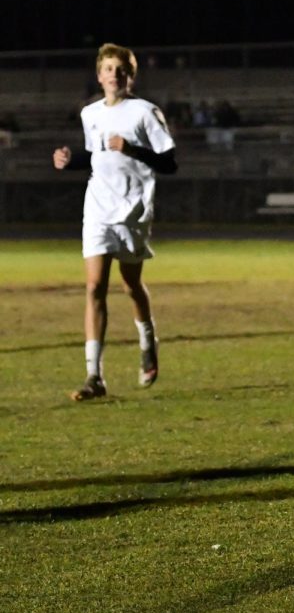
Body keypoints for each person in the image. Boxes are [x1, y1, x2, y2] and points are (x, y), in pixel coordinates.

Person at [52, 43, 177, 401]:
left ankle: (148, 341)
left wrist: (132, 149)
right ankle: (94, 376)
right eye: (107, 69)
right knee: (94, 287)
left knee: (131, 284)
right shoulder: (89, 113)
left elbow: (169, 163)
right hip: (98, 208)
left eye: (120, 69)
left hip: (134, 211)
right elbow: (96, 158)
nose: (113, 75)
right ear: (99, 75)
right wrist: (69, 160)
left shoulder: (145, 112)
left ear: (130, 76)